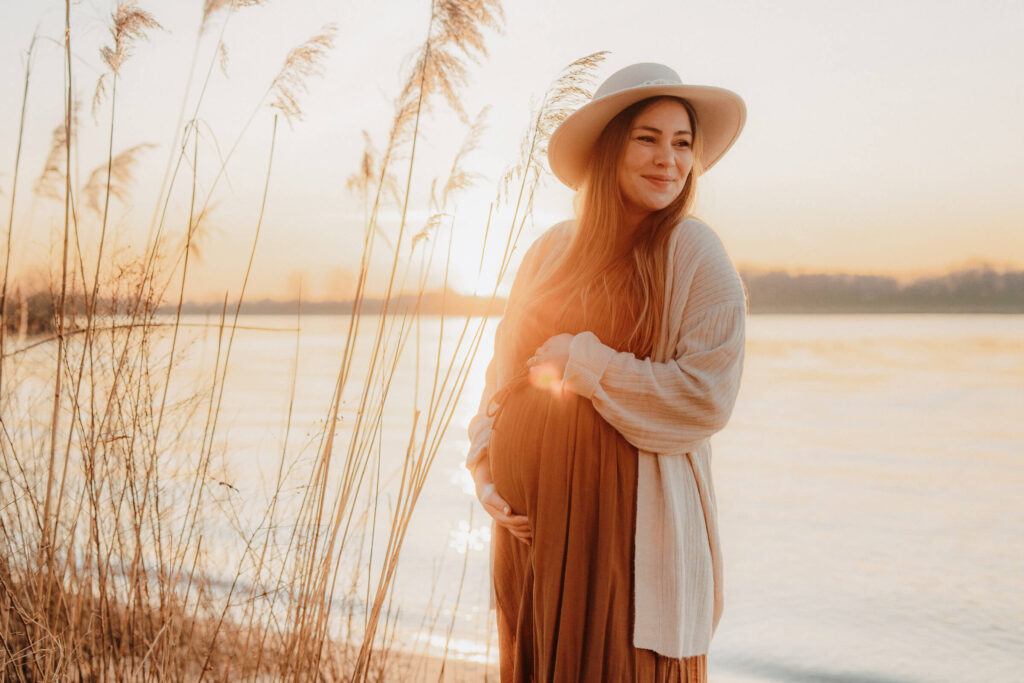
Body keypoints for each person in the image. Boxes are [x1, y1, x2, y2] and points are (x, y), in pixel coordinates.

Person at [466, 62, 747, 682]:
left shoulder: (693, 253)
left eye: (682, 144)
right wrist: (485, 471)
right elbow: (501, 377)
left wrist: (587, 363)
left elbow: (707, 398)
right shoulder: (548, 251)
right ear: (608, 147)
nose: (668, 160)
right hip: (534, 533)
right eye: (647, 138)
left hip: (628, 540)